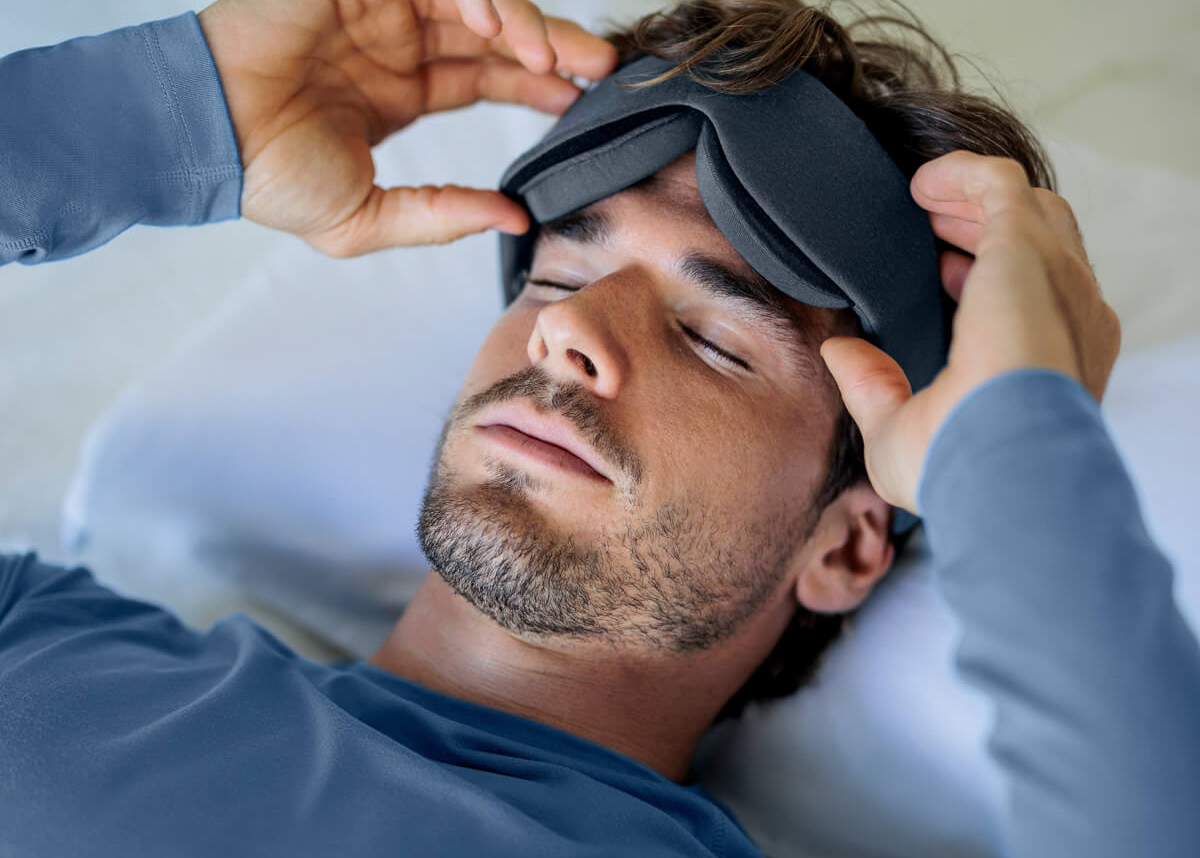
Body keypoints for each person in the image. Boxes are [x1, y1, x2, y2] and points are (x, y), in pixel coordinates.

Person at [1, 0, 1197, 856]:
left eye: (717, 339)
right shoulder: (39, 648)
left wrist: (1014, 447)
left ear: (842, 545)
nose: (566, 340)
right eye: (557, 280)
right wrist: (176, 111)